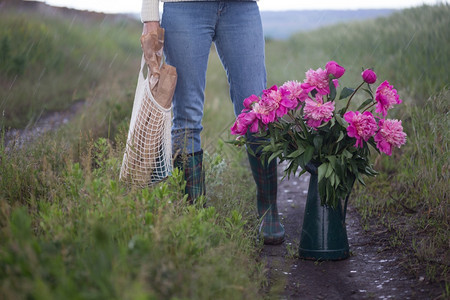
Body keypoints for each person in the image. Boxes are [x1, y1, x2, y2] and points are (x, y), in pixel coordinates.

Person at [141, 0, 285, 245]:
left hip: (241, 7)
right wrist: (150, 16)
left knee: (258, 109)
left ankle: (268, 208)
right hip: (184, 8)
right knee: (186, 116)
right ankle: (193, 215)